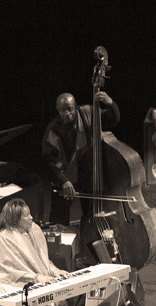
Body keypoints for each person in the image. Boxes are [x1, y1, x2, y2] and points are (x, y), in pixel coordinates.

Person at [41, 91, 120, 226]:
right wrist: (63, 181)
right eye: (62, 110)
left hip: (89, 175)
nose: (66, 113)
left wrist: (110, 103)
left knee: (92, 217)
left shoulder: (87, 113)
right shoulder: (53, 129)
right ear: (57, 109)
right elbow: (47, 160)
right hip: (66, 178)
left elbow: (113, 119)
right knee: (58, 221)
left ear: (75, 107)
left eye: (70, 109)